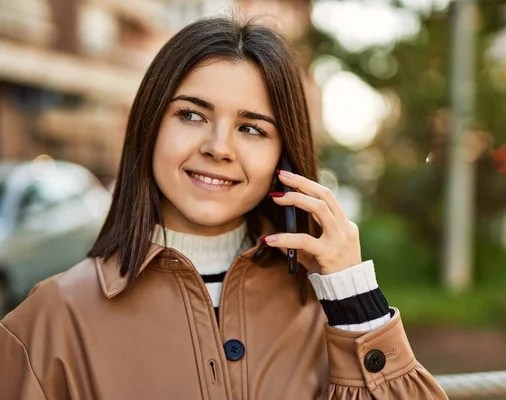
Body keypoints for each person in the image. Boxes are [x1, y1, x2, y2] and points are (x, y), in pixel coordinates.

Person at [0, 17, 448, 399]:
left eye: (252, 128)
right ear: (149, 126)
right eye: (192, 115)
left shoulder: (327, 308)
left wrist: (355, 303)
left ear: (284, 158)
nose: (218, 148)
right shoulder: (51, 318)